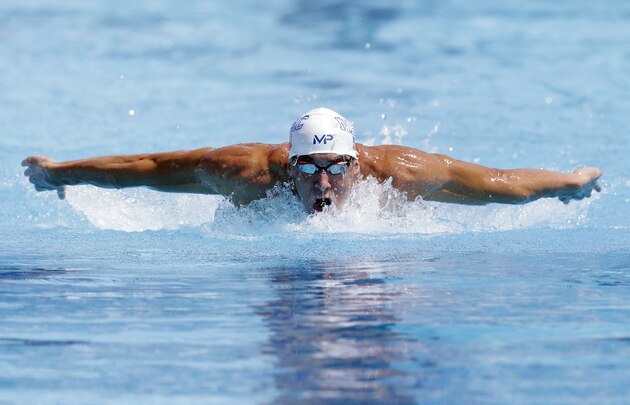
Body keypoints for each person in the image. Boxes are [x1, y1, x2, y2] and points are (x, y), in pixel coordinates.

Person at [22, 107, 602, 213]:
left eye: (336, 167)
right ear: (287, 165)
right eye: (307, 168)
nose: (323, 181)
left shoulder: (398, 172)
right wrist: (59, 172)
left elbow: (500, 182)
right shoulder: (245, 171)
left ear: (356, 162)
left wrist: (568, 183)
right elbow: (146, 167)